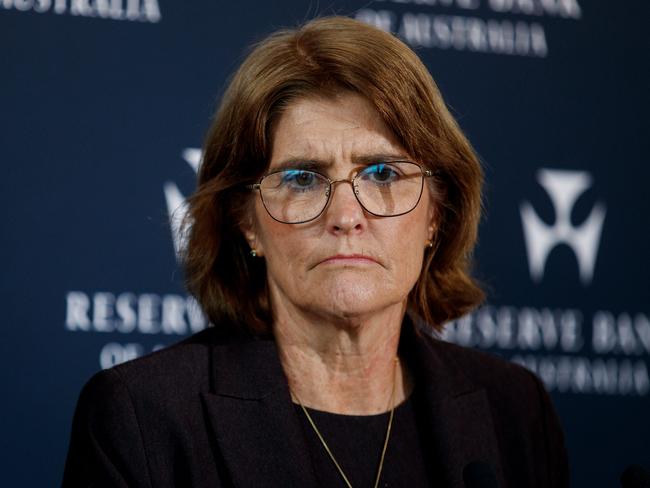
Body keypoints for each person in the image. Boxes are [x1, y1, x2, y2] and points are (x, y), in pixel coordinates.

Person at [63, 16, 569, 488]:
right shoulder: (145, 418)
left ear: (436, 214)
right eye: (303, 179)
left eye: (383, 174)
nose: (346, 216)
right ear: (247, 221)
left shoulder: (516, 411)